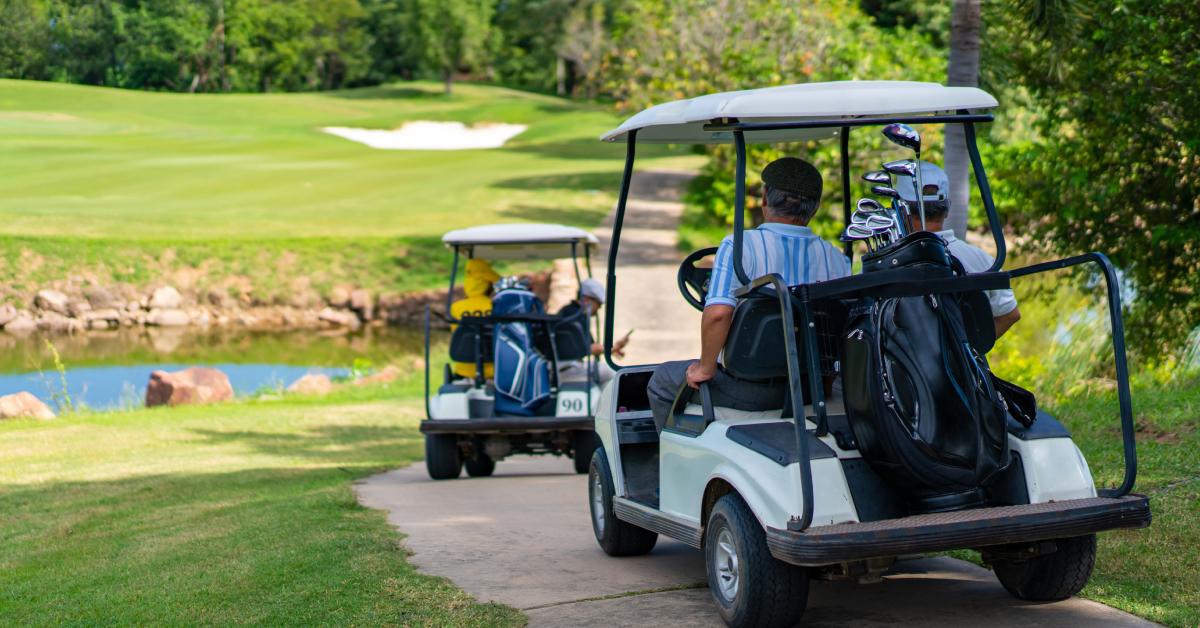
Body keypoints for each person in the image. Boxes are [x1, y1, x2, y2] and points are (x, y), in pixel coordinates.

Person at [647, 157, 851, 432]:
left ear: (765, 197)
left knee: (662, 379)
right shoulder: (837, 259)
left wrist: (706, 368)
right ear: (815, 207)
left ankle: (671, 466)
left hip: (750, 390)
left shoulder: (740, 247)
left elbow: (718, 314)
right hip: (808, 387)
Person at [895, 161, 1021, 338]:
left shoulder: (889, 263)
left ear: (902, 211)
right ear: (946, 210)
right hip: (959, 362)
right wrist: (968, 354)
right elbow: (1010, 315)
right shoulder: (983, 260)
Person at [556, 277, 625, 385]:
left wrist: (614, 349)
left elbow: (592, 345)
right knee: (612, 373)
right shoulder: (573, 316)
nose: (598, 309)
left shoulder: (574, 313)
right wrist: (613, 348)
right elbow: (591, 348)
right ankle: (605, 402)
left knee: (605, 371)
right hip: (565, 367)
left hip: (568, 366)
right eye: (597, 304)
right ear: (586, 299)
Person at [449, 258, 500, 379]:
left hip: (465, 371)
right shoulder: (499, 306)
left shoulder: (456, 308)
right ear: (489, 286)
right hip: (497, 370)